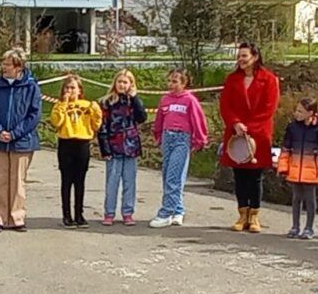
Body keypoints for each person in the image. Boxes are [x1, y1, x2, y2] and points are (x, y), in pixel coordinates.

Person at [217, 42, 282, 234]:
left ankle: (254, 215)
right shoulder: (232, 79)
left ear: (255, 57)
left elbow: (269, 108)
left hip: (259, 134)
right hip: (235, 133)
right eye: (239, 56)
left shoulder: (269, 79)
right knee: (239, 176)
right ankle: (242, 214)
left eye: (244, 56)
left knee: (255, 177)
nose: (241, 59)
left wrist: (250, 128)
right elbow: (225, 105)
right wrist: (235, 123)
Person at [0, 51, 42, 233]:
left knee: (18, 181)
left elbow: (34, 114)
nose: (4, 67)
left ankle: (17, 218)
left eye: (8, 64)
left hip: (22, 141)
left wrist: (15, 133)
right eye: (3, 63)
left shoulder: (31, 87)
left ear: (19, 67)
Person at [149, 69, 211, 227]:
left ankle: (166, 212)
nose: (171, 84)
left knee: (174, 176)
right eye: (169, 81)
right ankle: (178, 210)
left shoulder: (190, 100)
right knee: (167, 174)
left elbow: (198, 120)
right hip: (167, 137)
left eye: (175, 82)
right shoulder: (165, 100)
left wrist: (200, 139)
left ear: (184, 83)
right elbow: (159, 119)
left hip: (182, 139)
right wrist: (158, 135)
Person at [275, 98, 318, 239]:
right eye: (296, 110)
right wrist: (283, 167)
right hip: (295, 169)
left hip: (312, 170)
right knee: (296, 198)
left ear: (311, 112)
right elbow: (286, 149)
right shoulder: (292, 127)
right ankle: (295, 226)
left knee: (310, 199)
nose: (296, 113)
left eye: (300, 111)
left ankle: (309, 228)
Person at [49, 72, 102, 226]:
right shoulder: (59, 105)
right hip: (66, 143)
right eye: (67, 88)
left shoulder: (87, 105)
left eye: (73, 88)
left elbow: (96, 125)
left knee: (80, 180)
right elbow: (56, 122)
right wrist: (63, 104)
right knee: (66, 180)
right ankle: (66, 215)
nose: (70, 91)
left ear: (80, 90)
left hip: (82, 143)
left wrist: (96, 112)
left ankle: (79, 214)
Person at [98, 71, 149, 224]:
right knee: (112, 182)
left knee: (130, 182)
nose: (122, 85)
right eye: (119, 81)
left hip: (131, 146)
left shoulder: (133, 102)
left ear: (131, 85)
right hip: (113, 146)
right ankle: (109, 213)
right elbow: (102, 127)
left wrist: (135, 98)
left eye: (125, 82)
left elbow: (142, 118)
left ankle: (128, 212)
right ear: (115, 83)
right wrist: (105, 148)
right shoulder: (107, 102)